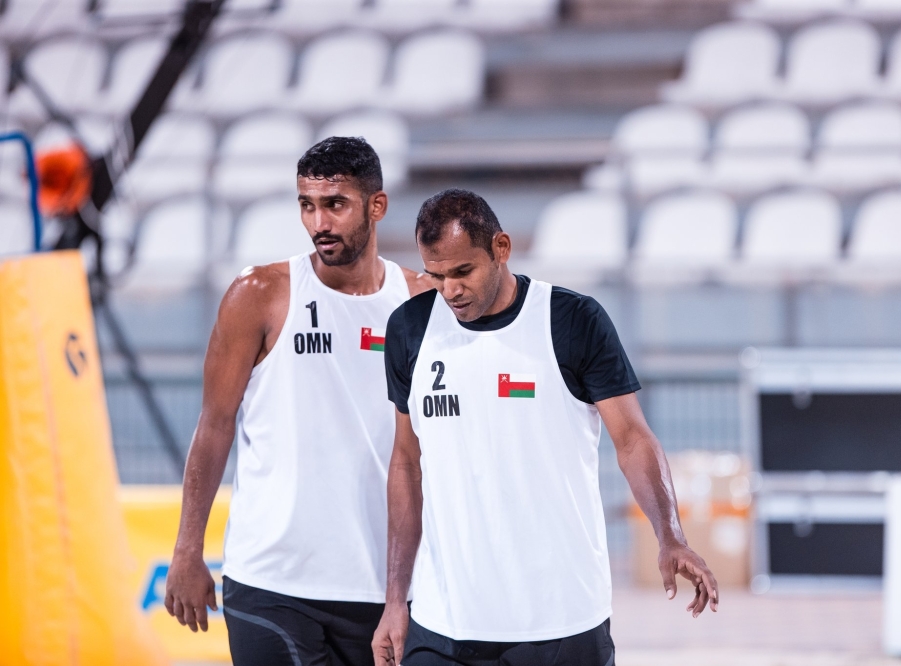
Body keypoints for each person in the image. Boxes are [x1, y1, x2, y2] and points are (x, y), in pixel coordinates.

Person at [372, 189, 719, 666]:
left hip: (560, 622)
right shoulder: (409, 329)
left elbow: (633, 440)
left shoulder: (571, 321)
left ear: (501, 248)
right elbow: (406, 464)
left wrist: (670, 535)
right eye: (436, 274)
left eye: (462, 272)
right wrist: (396, 599)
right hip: (443, 622)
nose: (449, 289)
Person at [164, 137, 431, 666]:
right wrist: (186, 549)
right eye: (307, 205)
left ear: (376, 206)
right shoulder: (259, 292)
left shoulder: (420, 302)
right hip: (271, 581)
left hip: (387, 589)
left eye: (336, 204)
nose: (318, 223)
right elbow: (214, 425)